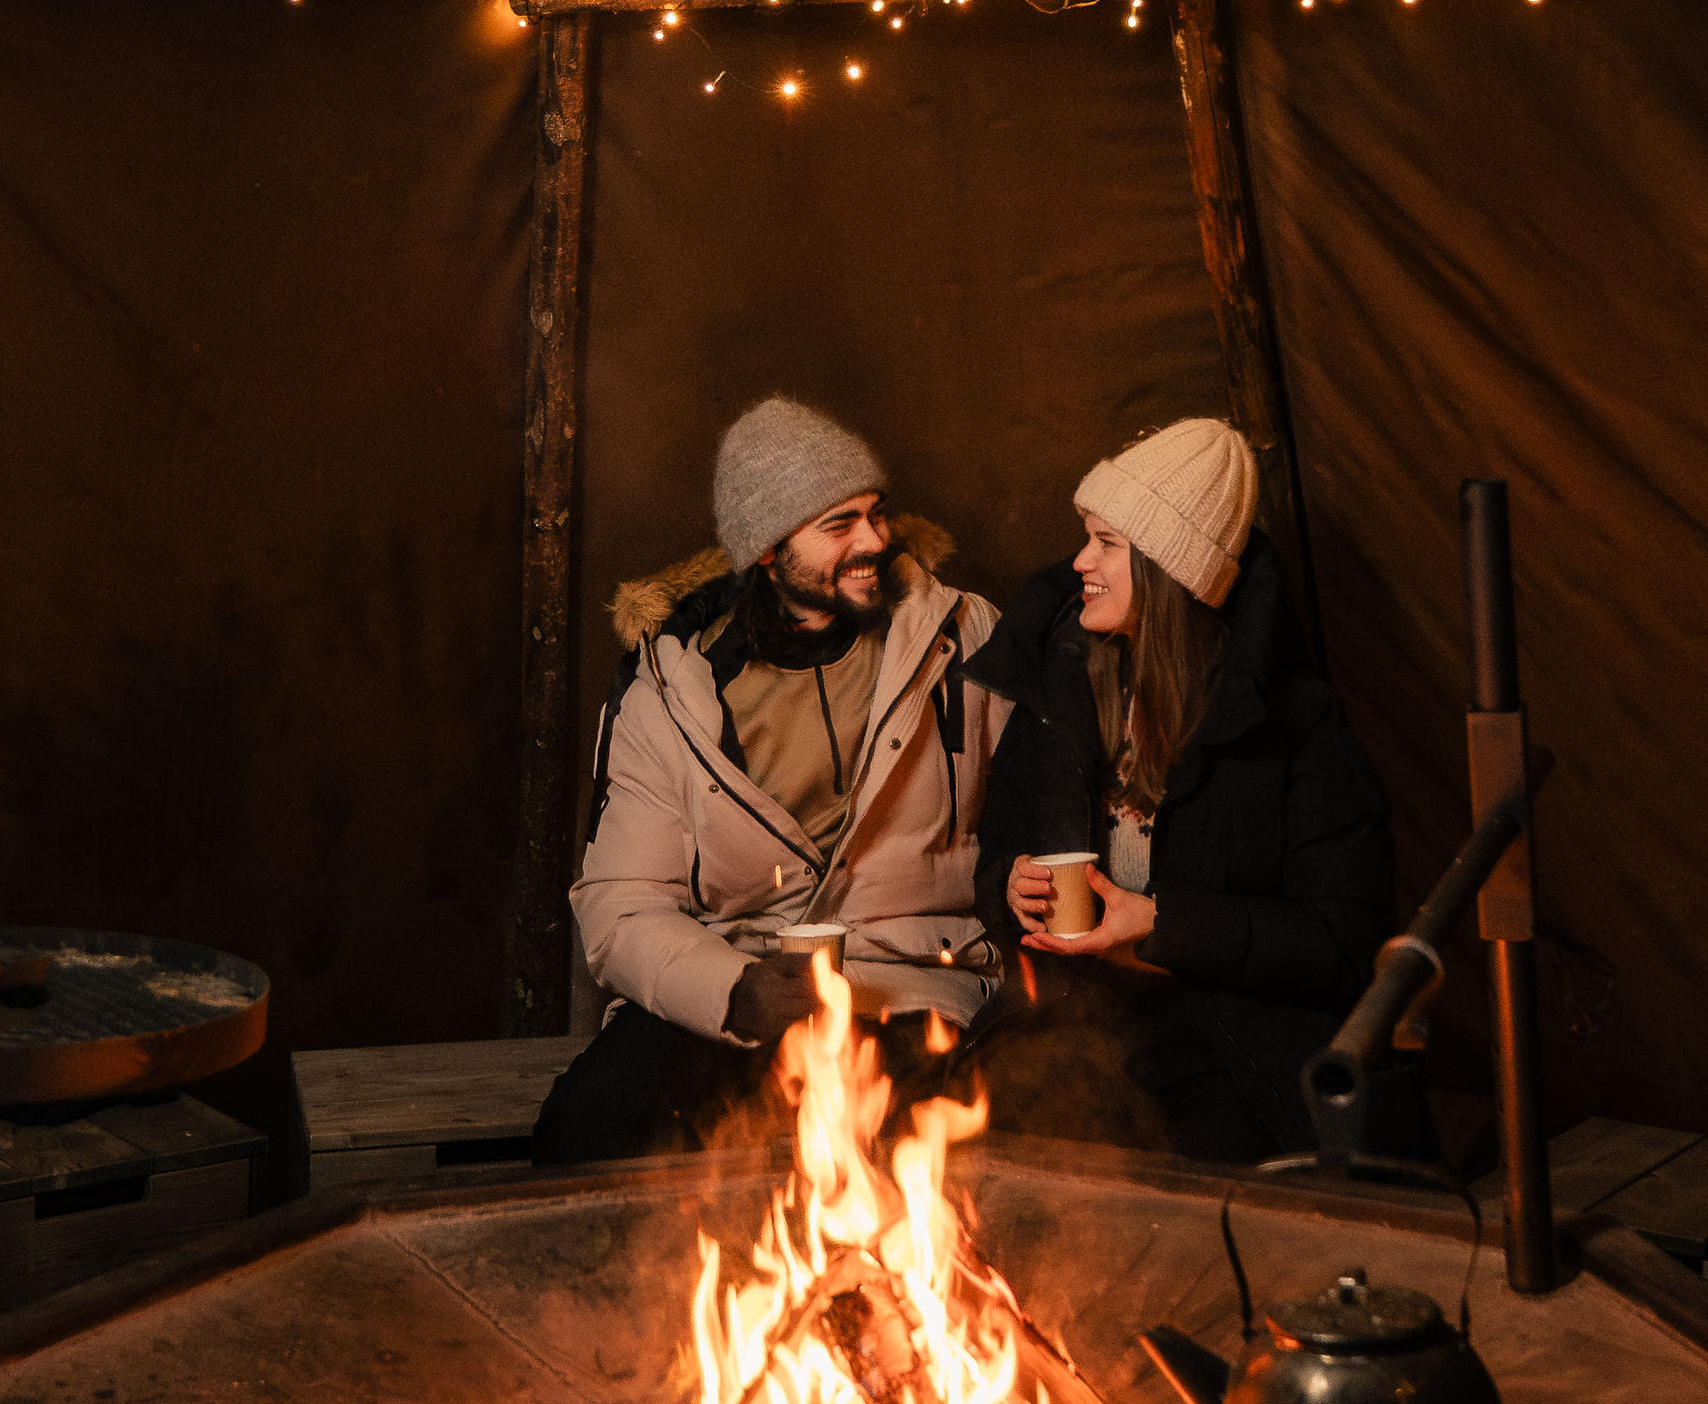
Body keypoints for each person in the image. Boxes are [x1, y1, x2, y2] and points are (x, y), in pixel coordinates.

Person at [532, 397, 1009, 1164]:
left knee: (945, 1147)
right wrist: (735, 991)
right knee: (588, 1128)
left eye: (875, 513)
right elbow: (622, 902)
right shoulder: (672, 688)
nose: (876, 540)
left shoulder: (959, 638)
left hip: (914, 991)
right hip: (735, 995)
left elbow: (1042, 809)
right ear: (765, 550)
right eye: (839, 524)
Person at [963, 416, 1398, 1165]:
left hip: (1235, 1043)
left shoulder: (1291, 722)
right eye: (1085, 536)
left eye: (1107, 544)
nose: (1079, 562)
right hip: (1079, 1020)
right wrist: (1012, 884)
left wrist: (1163, 923)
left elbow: (1343, 942)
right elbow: (998, 846)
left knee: (1188, 1184)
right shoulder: (1064, 687)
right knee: (965, 1154)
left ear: (1171, 570)